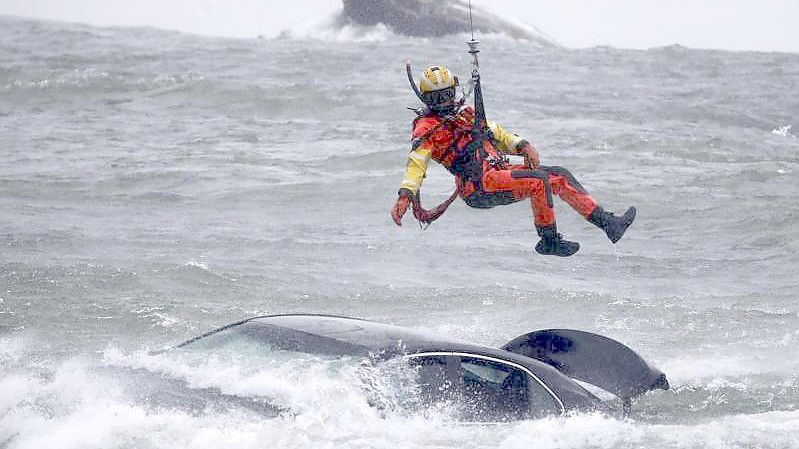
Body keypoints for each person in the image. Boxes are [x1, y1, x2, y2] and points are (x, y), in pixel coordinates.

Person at [390, 65, 636, 257]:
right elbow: (416, 164)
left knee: (559, 176)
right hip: (478, 186)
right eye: (437, 98)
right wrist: (405, 195)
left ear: (454, 91)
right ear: (427, 99)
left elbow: (497, 133)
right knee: (539, 181)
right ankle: (549, 240)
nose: (444, 102)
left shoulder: (465, 114)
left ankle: (608, 224)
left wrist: (523, 145)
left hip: (498, 173)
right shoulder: (427, 129)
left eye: (447, 95)